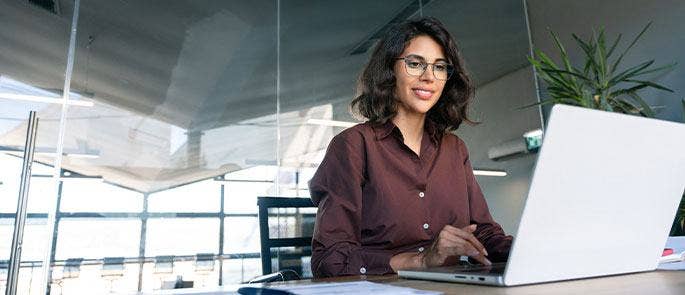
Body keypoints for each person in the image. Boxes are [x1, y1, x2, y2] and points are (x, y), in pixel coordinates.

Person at [308, 17, 512, 278]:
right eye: (415, 64)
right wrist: (420, 261)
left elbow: (484, 233)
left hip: (451, 287)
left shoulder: (454, 149)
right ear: (389, 71)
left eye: (439, 67)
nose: (428, 77)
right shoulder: (353, 146)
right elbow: (329, 260)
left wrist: (531, 249)